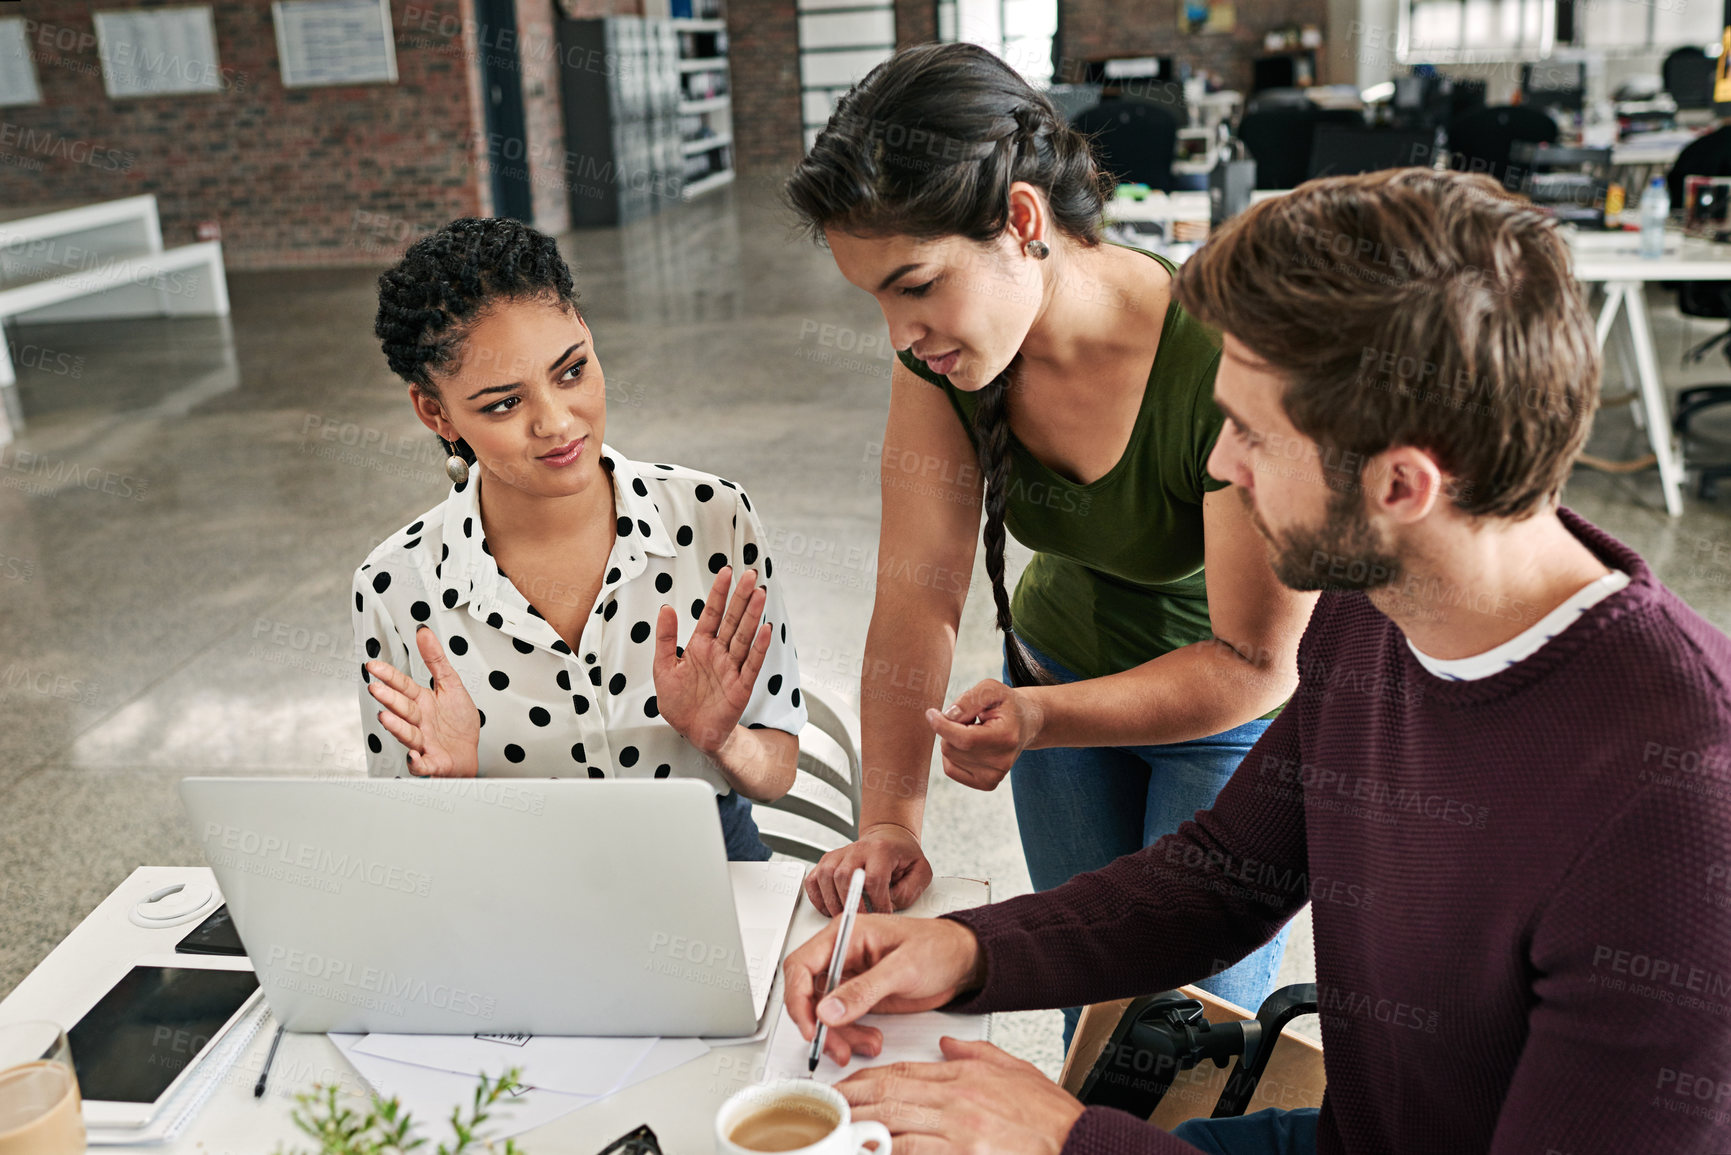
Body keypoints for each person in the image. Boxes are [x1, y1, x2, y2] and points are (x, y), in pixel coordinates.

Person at [780, 168, 1731, 1153]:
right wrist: (975, 949)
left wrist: (1074, 1140)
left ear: (1401, 483)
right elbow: (1229, 872)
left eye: (1252, 434)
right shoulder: (1376, 606)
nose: (1223, 465)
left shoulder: (1679, 818)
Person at [783, 42, 1317, 1023]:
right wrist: (892, 819)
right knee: (1088, 1013)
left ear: (1022, 220)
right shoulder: (943, 360)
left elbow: (1254, 661)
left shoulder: (1224, 355)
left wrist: (1040, 720)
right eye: (877, 303)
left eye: (916, 283)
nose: (902, 335)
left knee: (1173, 1043)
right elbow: (918, 594)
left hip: (1219, 721)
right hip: (1057, 672)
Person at [353, 217, 805, 860]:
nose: (558, 423)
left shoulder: (713, 517)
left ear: (589, 339)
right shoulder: (395, 585)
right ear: (436, 412)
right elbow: (411, 850)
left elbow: (777, 770)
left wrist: (722, 740)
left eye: (571, 371)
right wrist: (452, 788)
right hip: (517, 886)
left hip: (708, 863)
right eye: (503, 404)